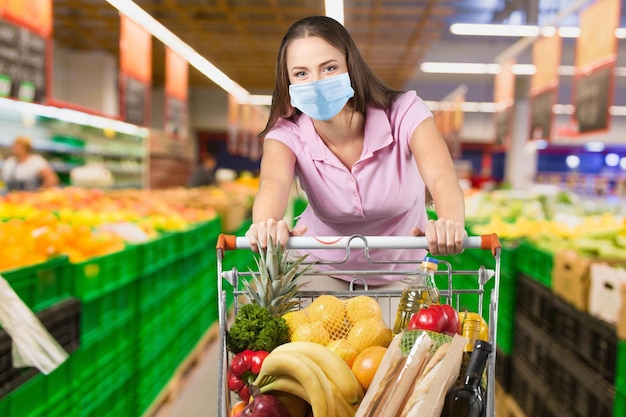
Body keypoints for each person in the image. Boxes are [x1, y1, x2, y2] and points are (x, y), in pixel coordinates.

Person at [246, 16, 466, 290]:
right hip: (319, 270)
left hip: (403, 273)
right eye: (301, 73)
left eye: (329, 68)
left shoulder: (405, 113)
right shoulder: (286, 135)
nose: (316, 82)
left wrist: (449, 223)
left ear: (351, 66)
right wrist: (266, 224)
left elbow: (442, 176)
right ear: (287, 81)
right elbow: (272, 183)